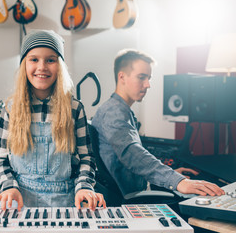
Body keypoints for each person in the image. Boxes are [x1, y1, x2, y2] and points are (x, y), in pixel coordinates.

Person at [0, 30, 106, 211]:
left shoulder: (74, 109)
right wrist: (9, 186)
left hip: (66, 203)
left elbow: (87, 158)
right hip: (20, 203)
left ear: (60, 66)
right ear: (24, 65)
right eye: (34, 59)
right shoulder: (11, 110)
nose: (42, 67)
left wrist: (84, 186)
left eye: (50, 60)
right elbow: (0, 159)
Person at [91, 49, 225, 198]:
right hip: (135, 197)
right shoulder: (113, 113)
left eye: (149, 78)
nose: (147, 84)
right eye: (141, 77)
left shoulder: (121, 110)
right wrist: (178, 181)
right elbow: (133, 154)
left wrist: (170, 173)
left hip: (141, 187)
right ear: (122, 77)